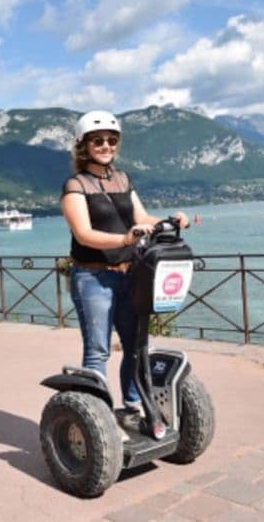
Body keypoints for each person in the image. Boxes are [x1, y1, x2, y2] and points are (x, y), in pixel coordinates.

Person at [61, 110, 189, 419]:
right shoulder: (75, 186)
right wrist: (124, 240)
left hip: (129, 274)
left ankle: (133, 404)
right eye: (98, 141)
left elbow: (141, 218)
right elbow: (84, 234)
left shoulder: (122, 179)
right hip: (92, 278)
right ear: (84, 146)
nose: (106, 146)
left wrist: (170, 219)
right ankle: (98, 417)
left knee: (135, 345)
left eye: (111, 140)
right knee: (98, 351)